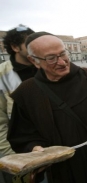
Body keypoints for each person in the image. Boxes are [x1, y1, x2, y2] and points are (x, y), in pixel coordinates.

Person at [7, 32, 87, 183]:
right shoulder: (27, 92)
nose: (62, 62)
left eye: (63, 54)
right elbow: (22, 134)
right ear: (34, 61)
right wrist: (34, 149)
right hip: (59, 167)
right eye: (51, 58)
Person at [0, 24, 39, 183]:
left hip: (51, 146)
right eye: (29, 43)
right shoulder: (2, 75)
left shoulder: (45, 66)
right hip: (20, 150)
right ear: (15, 47)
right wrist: (12, 155)